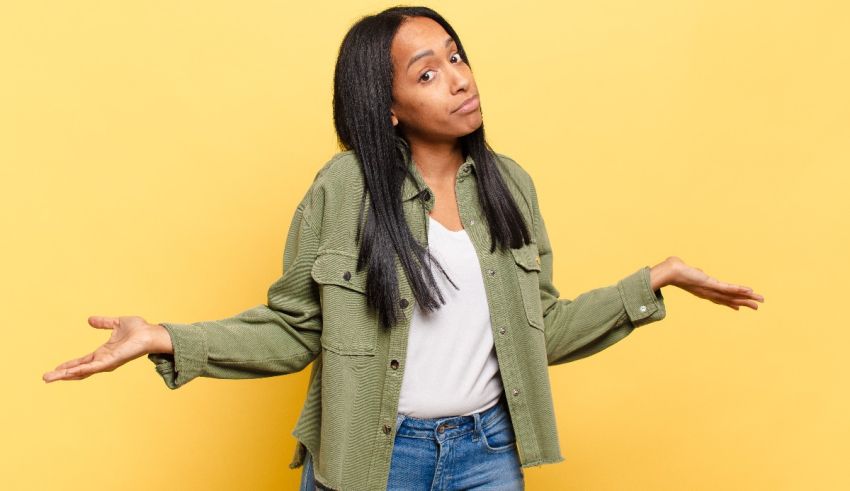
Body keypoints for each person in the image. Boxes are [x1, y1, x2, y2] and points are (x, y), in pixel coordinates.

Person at [42, 6, 764, 491]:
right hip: (373, 456)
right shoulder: (344, 186)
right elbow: (296, 329)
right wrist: (164, 337)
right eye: (426, 72)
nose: (457, 79)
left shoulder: (511, 184)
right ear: (387, 104)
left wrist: (651, 283)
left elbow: (537, 331)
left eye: (457, 57)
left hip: (489, 454)